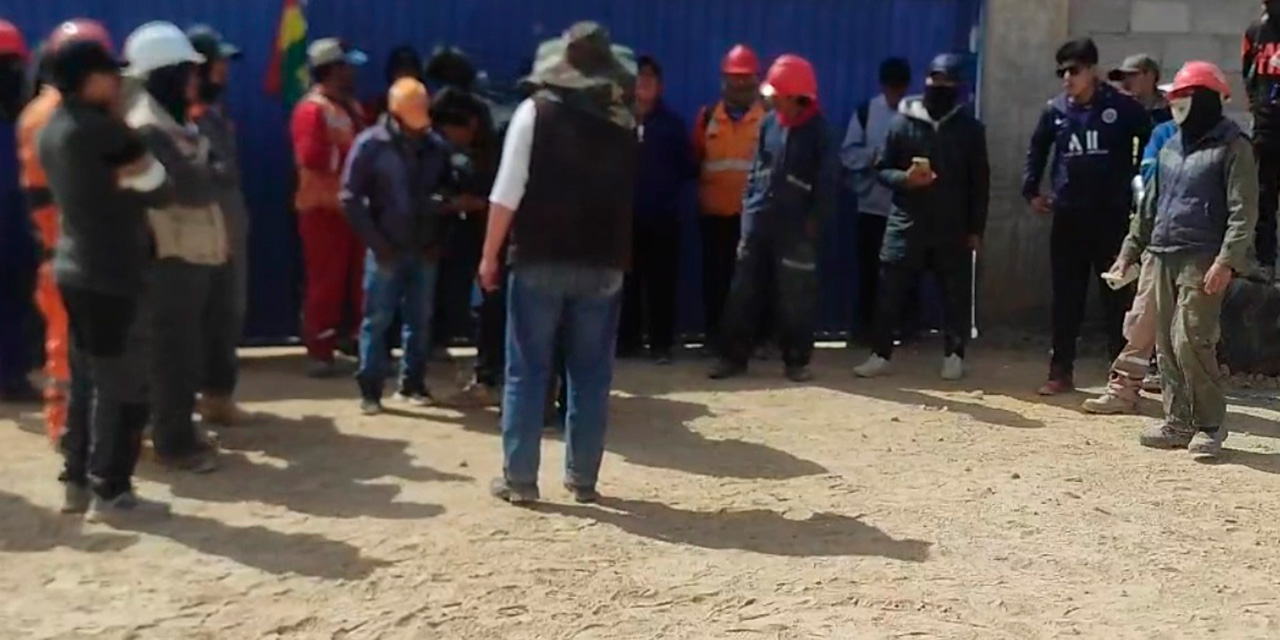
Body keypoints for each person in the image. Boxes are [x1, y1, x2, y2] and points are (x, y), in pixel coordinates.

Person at [479, 22, 637, 505]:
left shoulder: (534, 113)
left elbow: (506, 194)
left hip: (540, 258)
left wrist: (488, 256)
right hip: (604, 261)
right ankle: (583, 479)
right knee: (590, 375)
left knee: (528, 369)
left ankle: (520, 479)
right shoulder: (628, 122)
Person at [39, 24, 174, 517]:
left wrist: (125, 179)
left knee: (86, 379)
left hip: (73, 267)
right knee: (122, 383)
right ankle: (111, 487)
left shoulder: (52, 127)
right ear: (88, 78)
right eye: (108, 75)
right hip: (113, 272)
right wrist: (132, 178)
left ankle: (77, 479)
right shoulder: (105, 129)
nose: (116, 82)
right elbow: (160, 185)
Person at [1113, 61, 1256, 458]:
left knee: (1190, 338)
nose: (1173, 102)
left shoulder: (1233, 146)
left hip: (1203, 255)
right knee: (1166, 343)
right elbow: (1149, 206)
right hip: (1162, 252)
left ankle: (1210, 425)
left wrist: (1227, 260)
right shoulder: (1171, 143)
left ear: (1204, 99)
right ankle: (1178, 422)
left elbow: (1244, 211)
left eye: (1181, 95)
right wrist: (1130, 251)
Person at [122, 21, 225, 473]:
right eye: (185, 72)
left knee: (181, 347)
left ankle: (171, 426)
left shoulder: (173, 124)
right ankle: (173, 442)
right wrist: (204, 163)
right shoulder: (148, 129)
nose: (194, 81)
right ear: (165, 75)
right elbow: (190, 187)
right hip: (168, 256)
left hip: (187, 250)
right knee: (174, 351)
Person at [1023, 38, 1152, 395]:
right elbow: (1037, 149)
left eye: (1074, 71)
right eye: (1062, 71)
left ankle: (1121, 378)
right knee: (1067, 298)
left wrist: (1142, 185)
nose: (1067, 78)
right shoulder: (1056, 111)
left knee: (1116, 298)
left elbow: (1152, 139)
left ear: (1091, 70)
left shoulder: (1121, 107)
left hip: (1110, 217)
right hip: (1069, 218)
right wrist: (1032, 190)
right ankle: (1060, 371)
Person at [854, 54, 990, 380]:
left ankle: (954, 355)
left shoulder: (969, 129)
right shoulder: (902, 123)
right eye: (934, 79)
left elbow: (979, 182)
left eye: (946, 81)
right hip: (906, 221)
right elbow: (882, 169)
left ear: (957, 87)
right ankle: (880, 354)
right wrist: (905, 179)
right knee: (889, 292)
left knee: (955, 295)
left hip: (951, 225)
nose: (938, 86)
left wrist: (975, 229)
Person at [708, 54, 838, 382]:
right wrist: (749, 209)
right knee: (743, 293)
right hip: (759, 221)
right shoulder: (769, 124)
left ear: (796, 95)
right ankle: (732, 358)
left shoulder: (820, 133)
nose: (771, 98)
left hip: (796, 229)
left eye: (777, 93)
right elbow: (756, 170)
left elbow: (827, 184)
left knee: (796, 297)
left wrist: (813, 223)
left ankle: (796, 361)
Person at [341, 78, 453, 415]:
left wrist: (439, 237)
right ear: (396, 113)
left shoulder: (436, 147)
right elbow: (350, 198)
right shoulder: (370, 145)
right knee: (377, 319)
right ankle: (370, 391)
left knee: (420, 320)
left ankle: (413, 384)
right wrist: (376, 242)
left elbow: (449, 193)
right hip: (386, 249)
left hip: (425, 248)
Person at [1081, 117, 1179, 414]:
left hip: (1203, 250)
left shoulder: (1227, 143)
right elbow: (1148, 195)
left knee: (1191, 332)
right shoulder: (1166, 137)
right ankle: (1124, 390)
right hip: (1161, 243)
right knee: (1141, 320)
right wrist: (1127, 254)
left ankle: (1188, 405)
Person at [185, 25, 256, 428]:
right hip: (203, 231)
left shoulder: (213, 114)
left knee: (226, 314)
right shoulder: (185, 119)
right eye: (219, 64)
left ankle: (216, 396)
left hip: (225, 227)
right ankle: (194, 402)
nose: (225, 72)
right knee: (203, 317)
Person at [291, 38, 368, 377]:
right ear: (333, 69)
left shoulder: (351, 106)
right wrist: (357, 154)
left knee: (360, 282)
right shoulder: (313, 109)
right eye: (346, 65)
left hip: (353, 210)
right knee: (327, 282)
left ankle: (355, 343)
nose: (353, 71)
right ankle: (320, 350)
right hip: (323, 211)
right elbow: (312, 157)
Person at [618, 54, 693, 364]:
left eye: (650, 78)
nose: (644, 83)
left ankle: (661, 345)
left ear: (659, 86)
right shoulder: (617, 121)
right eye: (639, 78)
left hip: (663, 217)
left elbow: (687, 166)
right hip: (623, 218)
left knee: (662, 284)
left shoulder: (672, 125)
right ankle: (627, 342)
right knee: (626, 283)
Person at [694, 44, 766, 355]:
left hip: (753, 217)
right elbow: (694, 159)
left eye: (745, 79)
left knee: (753, 284)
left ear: (755, 81)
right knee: (716, 283)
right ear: (724, 81)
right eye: (733, 78)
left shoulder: (768, 118)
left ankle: (754, 340)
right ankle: (715, 338)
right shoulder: (708, 117)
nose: (739, 85)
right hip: (714, 216)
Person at [842, 57, 912, 342]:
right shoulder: (866, 113)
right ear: (883, 87)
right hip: (872, 206)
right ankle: (865, 329)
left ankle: (907, 329)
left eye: (900, 89)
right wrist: (869, 160)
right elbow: (847, 153)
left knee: (907, 273)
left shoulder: (916, 113)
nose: (895, 95)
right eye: (891, 89)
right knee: (870, 272)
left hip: (907, 208)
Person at [0, 19, 39, 404]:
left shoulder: (27, 117)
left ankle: (12, 372)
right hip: (14, 221)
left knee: (16, 298)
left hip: (19, 222)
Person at [1243, 1, 1280, 282]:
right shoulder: (1256, 32)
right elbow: (1249, 76)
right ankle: (1264, 266)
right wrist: (1258, 108)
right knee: (1263, 198)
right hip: (1266, 128)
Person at [1108, 54, 1172, 123]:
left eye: (1132, 75)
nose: (1127, 80)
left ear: (1150, 75)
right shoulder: (1120, 108)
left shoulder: (1171, 105)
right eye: (1123, 76)